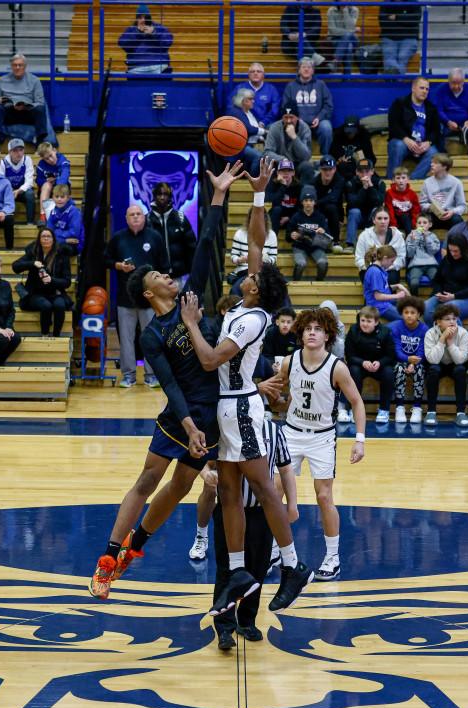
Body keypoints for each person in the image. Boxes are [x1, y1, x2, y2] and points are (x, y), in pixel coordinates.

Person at [91, 163, 267, 598]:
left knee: (185, 485)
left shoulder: (194, 300)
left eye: (167, 273)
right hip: (182, 414)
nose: (168, 276)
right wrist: (187, 426)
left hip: (214, 410)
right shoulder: (152, 335)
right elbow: (169, 384)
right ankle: (108, 558)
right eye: (158, 277)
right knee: (149, 479)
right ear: (149, 293)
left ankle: (136, 547)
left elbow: (206, 244)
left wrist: (219, 194)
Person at [179, 161, 317, 616]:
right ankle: (238, 571)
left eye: (253, 277)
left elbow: (210, 359)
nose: (247, 272)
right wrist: (258, 195)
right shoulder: (246, 301)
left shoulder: (254, 317)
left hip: (241, 409)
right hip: (227, 409)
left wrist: (193, 324)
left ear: (258, 292)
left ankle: (294, 565)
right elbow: (257, 241)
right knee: (228, 494)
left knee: (265, 487)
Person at [276, 307, 365, 581]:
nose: (312, 333)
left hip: (322, 436)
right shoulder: (288, 362)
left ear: (328, 335)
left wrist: (359, 440)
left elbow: (357, 402)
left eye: (318, 329)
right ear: (301, 333)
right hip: (290, 433)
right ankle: (272, 548)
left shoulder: (337, 366)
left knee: (324, 496)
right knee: (273, 492)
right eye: (307, 329)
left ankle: (332, 556)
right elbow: (276, 396)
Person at [207, 414, 295, 650]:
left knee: (257, 568)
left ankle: (247, 622)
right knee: (227, 568)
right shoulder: (224, 427)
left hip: (261, 513)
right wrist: (204, 474)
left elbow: (286, 470)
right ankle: (224, 628)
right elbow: (203, 463)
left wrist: (293, 505)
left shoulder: (274, 431)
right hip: (228, 511)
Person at [104, 204, 168, 387]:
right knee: (126, 339)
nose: (136, 217)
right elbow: (105, 259)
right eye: (131, 214)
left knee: (151, 339)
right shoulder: (118, 238)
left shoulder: (155, 238)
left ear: (144, 217)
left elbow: (164, 267)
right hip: (125, 299)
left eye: (139, 214)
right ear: (126, 218)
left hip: (150, 300)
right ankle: (128, 375)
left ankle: (152, 375)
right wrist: (119, 266)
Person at [0, 55, 57, 148]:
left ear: (25, 66)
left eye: (20, 65)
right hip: (9, 112)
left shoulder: (34, 80)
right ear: (11, 66)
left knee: (40, 109)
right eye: (15, 65)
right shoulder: (3, 80)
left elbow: (40, 102)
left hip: (28, 113)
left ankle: (40, 143)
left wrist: (25, 106)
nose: (17, 67)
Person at [12, 227, 72, 337]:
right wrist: (32, 263)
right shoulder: (33, 253)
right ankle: (45, 334)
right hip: (36, 293)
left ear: (53, 239)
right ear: (39, 239)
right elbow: (15, 266)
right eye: (43, 236)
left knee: (59, 306)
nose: (45, 239)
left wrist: (52, 280)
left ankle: (56, 336)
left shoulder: (62, 256)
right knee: (46, 306)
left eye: (48, 236)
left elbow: (67, 282)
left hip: (55, 292)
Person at [342, 305, 395, 423]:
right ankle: (354, 409)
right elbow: (350, 356)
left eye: (369, 321)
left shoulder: (385, 332)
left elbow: (391, 356)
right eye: (362, 320)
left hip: (379, 366)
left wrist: (380, 363)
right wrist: (362, 362)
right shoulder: (353, 330)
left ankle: (384, 410)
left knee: (389, 372)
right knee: (353, 370)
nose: (365, 324)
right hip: (360, 365)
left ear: (376, 322)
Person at [422, 302, 468, 427]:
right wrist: (442, 338)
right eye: (447, 319)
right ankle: (431, 412)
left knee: (460, 370)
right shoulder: (430, 333)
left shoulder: (463, 333)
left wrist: (450, 342)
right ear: (438, 322)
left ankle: (461, 413)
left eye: (454, 319)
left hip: (455, 364)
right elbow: (432, 359)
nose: (452, 322)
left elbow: (460, 360)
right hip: (438, 364)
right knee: (433, 369)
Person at [425, 233, 468, 324]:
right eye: (450, 250)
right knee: (426, 307)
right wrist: (438, 293)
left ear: (463, 249)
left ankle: (459, 337)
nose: (452, 253)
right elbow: (436, 280)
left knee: (448, 310)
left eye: (456, 251)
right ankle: (435, 335)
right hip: (447, 296)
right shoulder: (447, 259)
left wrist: (455, 296)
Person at [386, 77, 441, 180]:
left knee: (434, 153)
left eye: (427, 89)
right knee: (398, 146)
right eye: (422, 88)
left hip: (422, 145)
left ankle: (412, 182)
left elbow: (436, 130)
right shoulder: (400, 103)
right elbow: (393, 125)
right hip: (403, 143)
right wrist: (406, 139)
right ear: (413, 88)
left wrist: (428, 142)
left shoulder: (431, 108)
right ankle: (392, 181)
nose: (425, 91)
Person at [434, 68, 468, 172]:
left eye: (459, 83)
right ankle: (443, 159)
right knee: (436, 127)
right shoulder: (440, 89)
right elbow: (438, 110)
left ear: (464, 81)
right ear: (448, 80)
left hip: (466, 125)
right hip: (447, 124)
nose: (456, 86)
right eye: (453, 83)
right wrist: (447, 121)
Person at [283, 58, 334, 158]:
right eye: (303, 67)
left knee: (326, 127)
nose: (306, 69)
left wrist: (319, 118)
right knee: (296, 128)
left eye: (309, 67)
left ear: (313, 70)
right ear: (299, 70)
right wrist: (296, 119)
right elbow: (286, 107)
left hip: (318, 121)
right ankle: (303, 158)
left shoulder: (321, 85)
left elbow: (328, 106)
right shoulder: (291, 86)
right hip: (299, 121)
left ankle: (325, 157)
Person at [146, 181, 196, 281]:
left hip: (177, 274)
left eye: (165, 194)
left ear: (170, 197)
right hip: (155, 275)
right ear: (154, 196)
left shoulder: (180, 218)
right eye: (159, 194)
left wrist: (193, 272)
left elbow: (191, 248)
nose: (162, 197)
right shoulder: (147, 220)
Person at [388, 295, 427, 422]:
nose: (409, 315)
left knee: (420, 370)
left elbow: (422, 351)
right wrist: (407, 360)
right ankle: (399, 407)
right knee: (399, 369)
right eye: (406, 312)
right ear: (401, 313)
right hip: (402, 360)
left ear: (418, 314)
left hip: (417, 362)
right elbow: (397, 351)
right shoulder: (397, 328)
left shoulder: (424, 329)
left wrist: (414, 364)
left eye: (412, 312)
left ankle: (417, 407)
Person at [264, 104, 315, 186]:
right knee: (266, 164)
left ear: (297, 118)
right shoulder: (274, 128)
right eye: (285, 117)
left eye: (291, 117)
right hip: (280, 164)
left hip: (297, 164)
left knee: (307, 166)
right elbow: (267, 152)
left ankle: (305, 196)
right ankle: (270, 197)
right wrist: (282, 159)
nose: (288, 121)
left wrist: (295, 137)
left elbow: (306, 156)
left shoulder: (305, 129)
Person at [286, 185, 330, 279]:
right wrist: (291, 235)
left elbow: (328, 237)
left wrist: (323, 231)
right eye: (306, 200)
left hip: (316, 247)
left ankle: (319, 284)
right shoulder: (296, 217)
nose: (308, 203)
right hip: (299, 247)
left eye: (311, 200)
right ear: (302, 202)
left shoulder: (320, 217)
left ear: (315, 202)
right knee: (301, 264)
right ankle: (296, 283)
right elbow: (287, 236)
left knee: (323, 263)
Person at [345, 158, 387, 253]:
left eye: (367, 171)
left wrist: (371, 187)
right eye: (361, 172)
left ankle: (374, 244)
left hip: (372, 219)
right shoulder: (350, 184)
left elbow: (379, 202)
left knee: (377, 211)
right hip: (357, 219)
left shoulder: (379, 183)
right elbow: (353, 203)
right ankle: (350, 245)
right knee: (354, 211)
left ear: (372, 171)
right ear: (356, 172)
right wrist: (364, 188)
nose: (364, 175)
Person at [118, 5, 173, 74]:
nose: (143, 20)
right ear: (137, 19)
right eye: (140, 17)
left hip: (159, 65)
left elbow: (168, 42)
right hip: (137, 67)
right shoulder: (131, 29)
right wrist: (137, 33)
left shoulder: (158, 27)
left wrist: (154, 33)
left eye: (146, 17)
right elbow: (122, 44)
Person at [354, 208, 404, 279]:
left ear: (389, 219)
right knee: (374, 279)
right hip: (369, 269)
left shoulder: (397, 235)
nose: (383, 221)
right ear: (374, 220)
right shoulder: (364, 235)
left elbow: (401, 258)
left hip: (390, 270)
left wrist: (388, 267)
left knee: (392, 278)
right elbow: (359, 259)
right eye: (379, 218)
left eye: (385, 218)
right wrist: (374, 267)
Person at [363, 244, 409, 322]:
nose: (393, 264)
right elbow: (378, 296)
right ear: (385, 258)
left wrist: (397, 285)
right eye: (392, 261)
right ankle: (385, 332)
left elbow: (383, 288)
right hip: (378, 306)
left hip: (384, 303)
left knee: (408, 307)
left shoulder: (380, 269)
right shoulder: (375, 272)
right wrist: (396, 295)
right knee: (406, 319)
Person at [422, 153, 466, 230]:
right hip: (433, 215)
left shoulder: (456, 182)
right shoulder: (427, 182)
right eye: (432, 162)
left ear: (444, 166)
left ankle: (456, 242)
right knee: (423, 221)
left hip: (449, 215)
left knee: (458, 221)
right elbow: (422, 204)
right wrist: (430, 207)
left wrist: (452, 212)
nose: (431, 164)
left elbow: (462, 206)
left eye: (435, 163)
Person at [328, 113, 377, 183]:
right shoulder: (338, 137)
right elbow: (331, 156)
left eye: (351, 131)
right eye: (347, 131)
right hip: (341, 169)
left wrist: (362, 162)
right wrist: (338, 162)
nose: (349, 133)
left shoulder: (364, 138)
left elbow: (372, 159)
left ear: (357, 130)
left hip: (359, 170)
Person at [229, 90, 268, 175]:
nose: (253, 101)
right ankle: (252, 180)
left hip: (253, 143)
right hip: (241, 147)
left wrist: (261, 138)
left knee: (269, 154)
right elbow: (248, 129)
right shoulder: (236, 112)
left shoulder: (248, 112)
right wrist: (264, 132)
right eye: (250, 99)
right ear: (242, 100)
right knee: (258, 156)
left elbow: (255, 127)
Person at [230, 63, 281, 127]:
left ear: (263, 75)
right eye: (252, 71)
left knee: (273, 128)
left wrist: (263, 122)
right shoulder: (240, 88)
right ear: (249, 74)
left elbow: (274, 110)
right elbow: (231, 107)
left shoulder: (271, 90)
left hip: (266, 124)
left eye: (259, 71)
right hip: (244, 123)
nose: (255, 73)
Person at [280, 0, 329, 66]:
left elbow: (316, 29)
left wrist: (305, 34)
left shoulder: (315, 11)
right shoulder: (290, 8)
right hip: (290, 43)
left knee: (301, 47)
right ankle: (314, 56)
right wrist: (289, 35)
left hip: (308, 42)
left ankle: (302, 74)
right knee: (297, 38)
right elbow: (284, 24)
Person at [378, 1, 420, 74]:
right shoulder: (386, 3)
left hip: (409, 39)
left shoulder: (414, 3)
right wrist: (405, 22)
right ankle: (396, 82)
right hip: (389, 38)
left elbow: (415, 19)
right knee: (389, 54)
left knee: (402, 56)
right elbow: (383, 22)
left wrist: (397, 17)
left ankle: (392, 81)